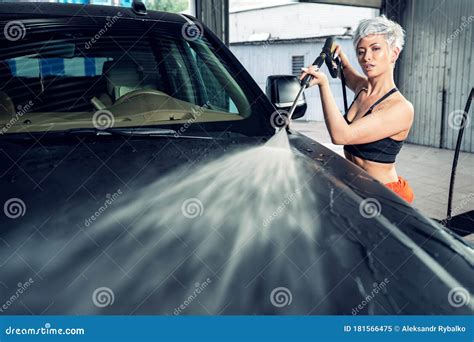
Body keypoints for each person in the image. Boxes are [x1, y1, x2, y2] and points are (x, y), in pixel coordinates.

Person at [300, 15, 415, 203]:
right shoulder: (363, 88)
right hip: (356, 188)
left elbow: (341, 136)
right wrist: (337, 57)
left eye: (375, 49)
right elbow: (348, 74)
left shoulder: (401, 109)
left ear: (394, 53)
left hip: (385, 196)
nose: (366, 57)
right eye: (361, 51)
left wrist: (323, 85)